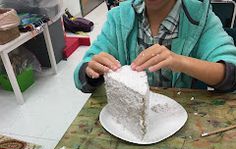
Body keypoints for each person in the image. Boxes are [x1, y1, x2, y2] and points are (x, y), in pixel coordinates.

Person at [74, 0, 236, 93]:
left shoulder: (200, 18)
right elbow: (83, 72)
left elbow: (231, 72)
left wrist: (180, 62)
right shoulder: (119, 18)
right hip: (130, 121)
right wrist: (91, 72)